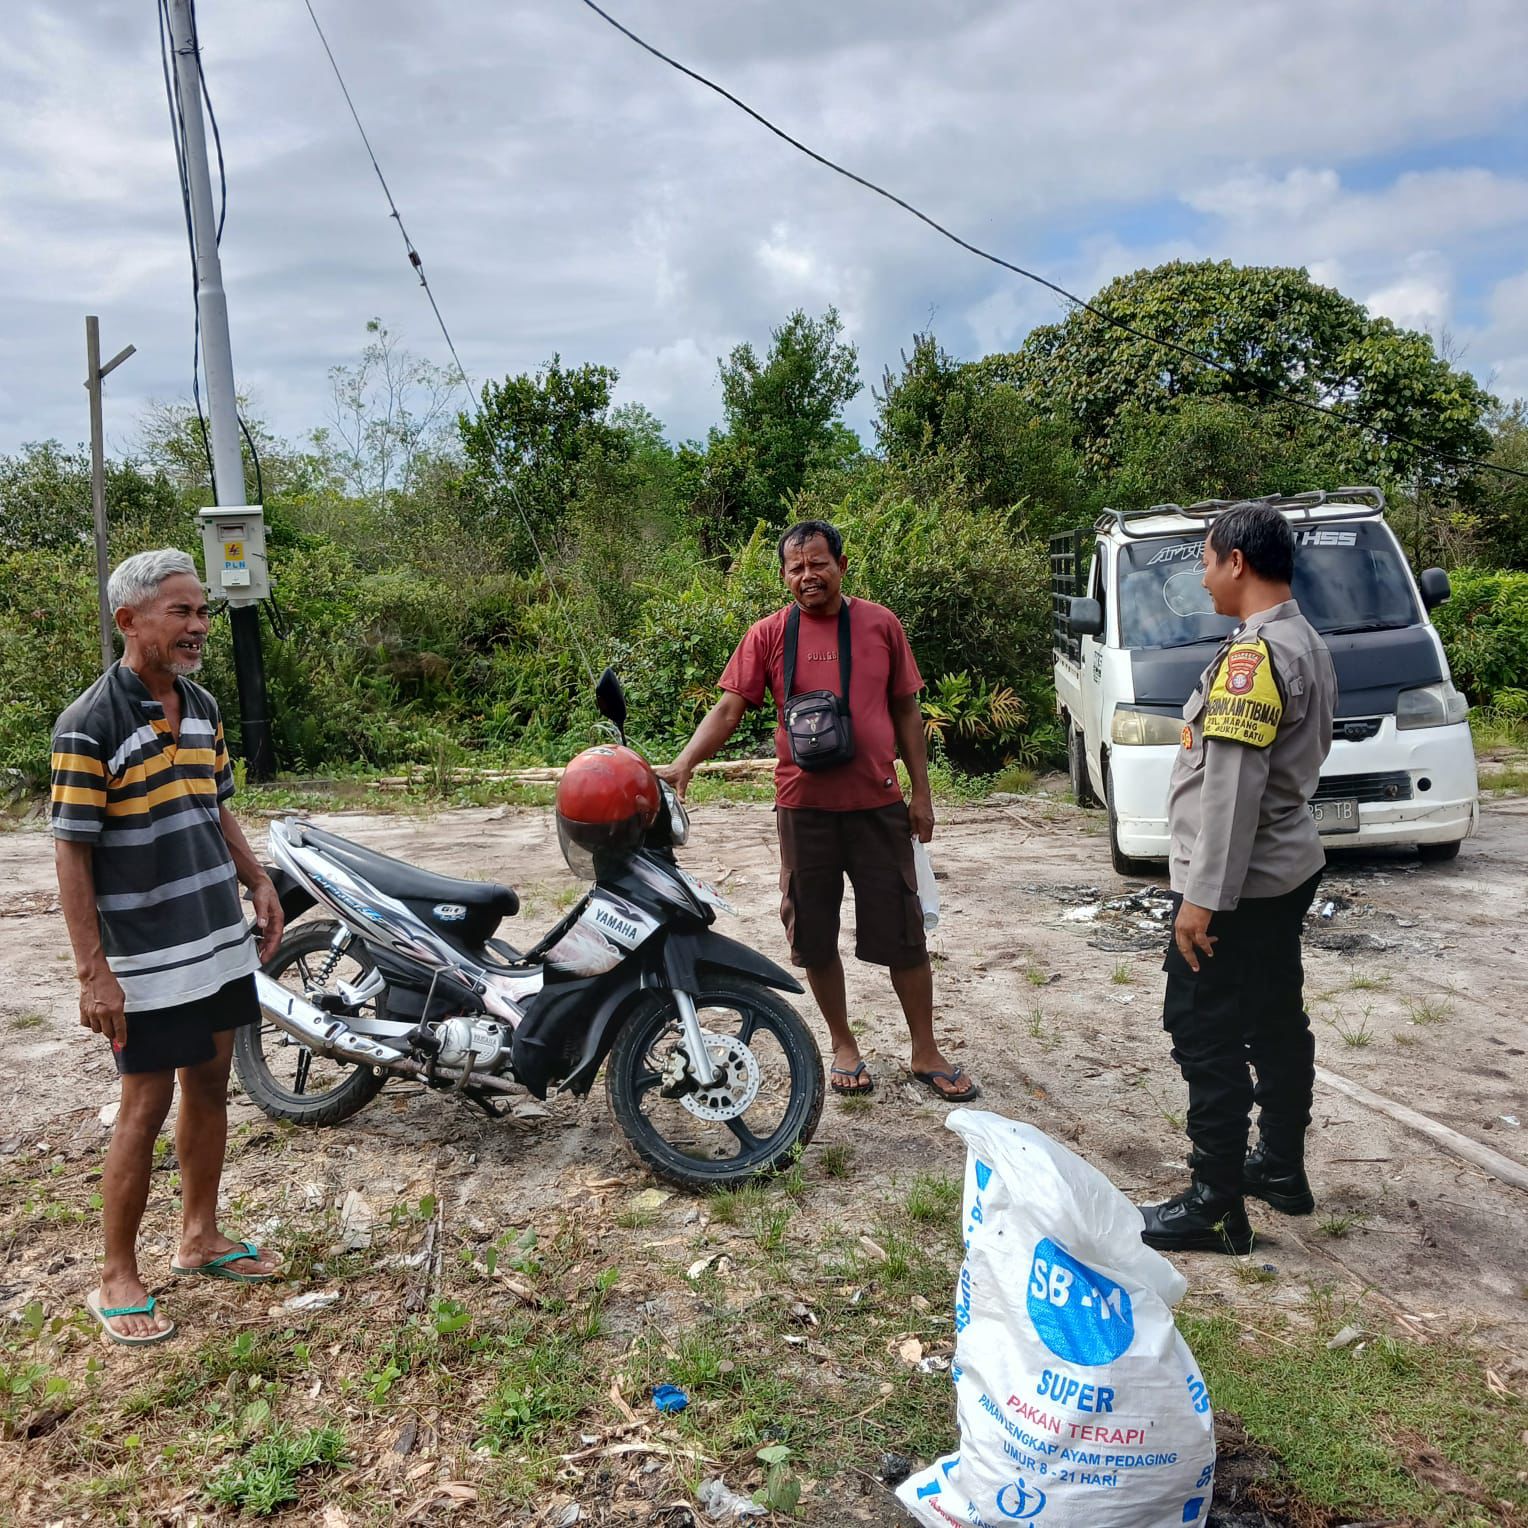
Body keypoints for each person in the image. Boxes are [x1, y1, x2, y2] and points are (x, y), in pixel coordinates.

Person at [658, 520, 977, 1102]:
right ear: (784, 576)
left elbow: (907, 712)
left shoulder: (881, 625)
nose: (808, 576)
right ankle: (843, 1044)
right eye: (796, 567)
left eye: (818, 563)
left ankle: (925, 1050)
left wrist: (921, 792)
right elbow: (730, 709)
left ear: (842, 565)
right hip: (803, 811)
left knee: (903, 933)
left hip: (879, 806)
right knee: (813, 931)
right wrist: (684, 765)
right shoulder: (769, 634)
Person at [52, 549, 285, 1344]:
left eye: (202, 612)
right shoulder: (89, 725)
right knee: (144, 1107)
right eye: (180, 613)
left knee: (212, 1085)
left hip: (216, 936)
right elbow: (72, 853)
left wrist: (256, 880)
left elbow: (212, 805)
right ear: (129, 621)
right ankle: (116, 1274)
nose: (197, 628)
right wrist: (94, 973)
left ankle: (198, 1236)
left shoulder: (202, 706)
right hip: (146, 957)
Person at [1138, 503, 1336, 1254]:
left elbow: (1230, 791)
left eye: (1207, 559)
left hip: (1239, 884)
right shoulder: (1305, 640)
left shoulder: (1255, 658)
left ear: (1238, 564)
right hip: (1285, 870)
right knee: (1275, 1017)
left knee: (1204, 1027)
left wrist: (1201, 903)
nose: (1202, 572)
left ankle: (1214, 1201)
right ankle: (1280, 1167)